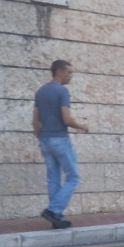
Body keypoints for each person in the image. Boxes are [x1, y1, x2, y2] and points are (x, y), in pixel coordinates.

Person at [33, 59, 88, 228]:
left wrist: (41, 139)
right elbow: (67, 119)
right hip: (60, 139)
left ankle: (56, 218)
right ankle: (54, 209)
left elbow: (35, 120)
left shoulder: (41, 91)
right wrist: (81, 127)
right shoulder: (62, 91)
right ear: (59, 72)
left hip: (45, 139)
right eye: (69, 72)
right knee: (73, 177)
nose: (71, 76)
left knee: (53, 178)